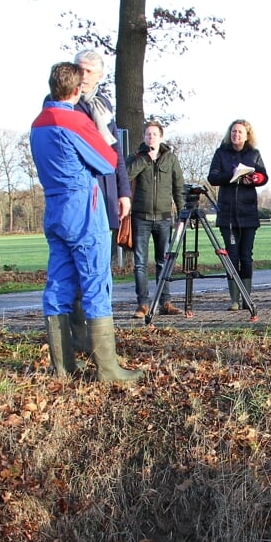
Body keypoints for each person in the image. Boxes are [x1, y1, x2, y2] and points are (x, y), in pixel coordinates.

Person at [30, 62, 139, 383]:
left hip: (55, 209)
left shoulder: (38, 123)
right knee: (95, 284)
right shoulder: (74, 119)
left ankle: (63, 368)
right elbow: (107, 160)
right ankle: (108, 369)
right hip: (84, 210)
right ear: (77, 91)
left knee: (58, 285)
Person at [67, 49, 133, 351]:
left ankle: (100, 339)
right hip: (80, 192)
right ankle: (79, 339)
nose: (82, 75)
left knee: (100, 267)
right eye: (78, 69)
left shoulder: (103, 105)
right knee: (80, 270)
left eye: (89, 71)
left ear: (100, 75)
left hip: (105, 192)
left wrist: (123, 192)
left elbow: (115, 151)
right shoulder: (64, 102)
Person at [207, 119, 268, 310]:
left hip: (248, 212)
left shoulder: (254, 154)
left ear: (247, 134)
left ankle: (246, 297)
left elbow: (263, 176)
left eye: (240, 132)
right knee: (232, 256)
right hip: (228, 213)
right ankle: (234, 299)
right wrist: (231, 174)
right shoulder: (221, 153)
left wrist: (256, 178)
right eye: (234, 131)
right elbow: (213, 177)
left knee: (246, 256)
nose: (236, 135)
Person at [126, 120, 184, 318]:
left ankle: (165, 302)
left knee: (164, 261)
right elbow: (124, 178)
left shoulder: (171, 159)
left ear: (161, 137)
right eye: (148, 134)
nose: (151, 137)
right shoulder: (135, 158)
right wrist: (145, 160)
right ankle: (142, 304)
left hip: (164, 219)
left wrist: (181, 215)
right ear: (144, 137)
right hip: (140, 217)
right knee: (140, 263)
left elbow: (178, 188)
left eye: (154, 134)